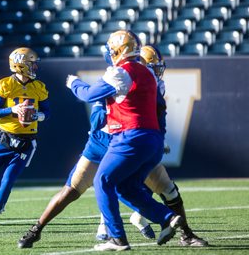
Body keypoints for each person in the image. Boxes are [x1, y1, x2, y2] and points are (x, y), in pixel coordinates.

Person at [65, 30, 184, 251]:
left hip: (130, 138)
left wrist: (74, 84)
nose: (111, 53)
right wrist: (160, 137)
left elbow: (90, 96)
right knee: (126, 186)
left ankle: (116, 237)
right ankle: (166, 218)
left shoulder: (121, 72)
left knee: (104, 181)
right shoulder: (149, 76)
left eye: (113, 49)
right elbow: (161, 112)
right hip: (151, 140)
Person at [127, 45, 208, 247]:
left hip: (141, 143)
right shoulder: (131, 85)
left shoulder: (151, 86)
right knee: (114, 186)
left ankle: (182, 233)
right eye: (152, 67)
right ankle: (111, 229)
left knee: (162, 189)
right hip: (130, 145)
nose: (157, 72)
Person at [0, 47, 50, 234]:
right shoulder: (5, 85)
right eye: (32, 63)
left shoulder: (38, 87)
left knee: (7, 181)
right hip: (2, 138)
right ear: (21, 65)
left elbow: (47, 113)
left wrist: (37, 116)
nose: (35, 67)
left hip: (25, 143)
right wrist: (13, 110)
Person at [18, 101, 111, 248]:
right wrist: (75, 84)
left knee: (146, 186)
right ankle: (36, 229)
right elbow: (94, 111)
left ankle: (145, 220)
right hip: (98, 145)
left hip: (125, 145)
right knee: (70, 190)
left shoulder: (146, 87)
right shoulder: (109, 85)